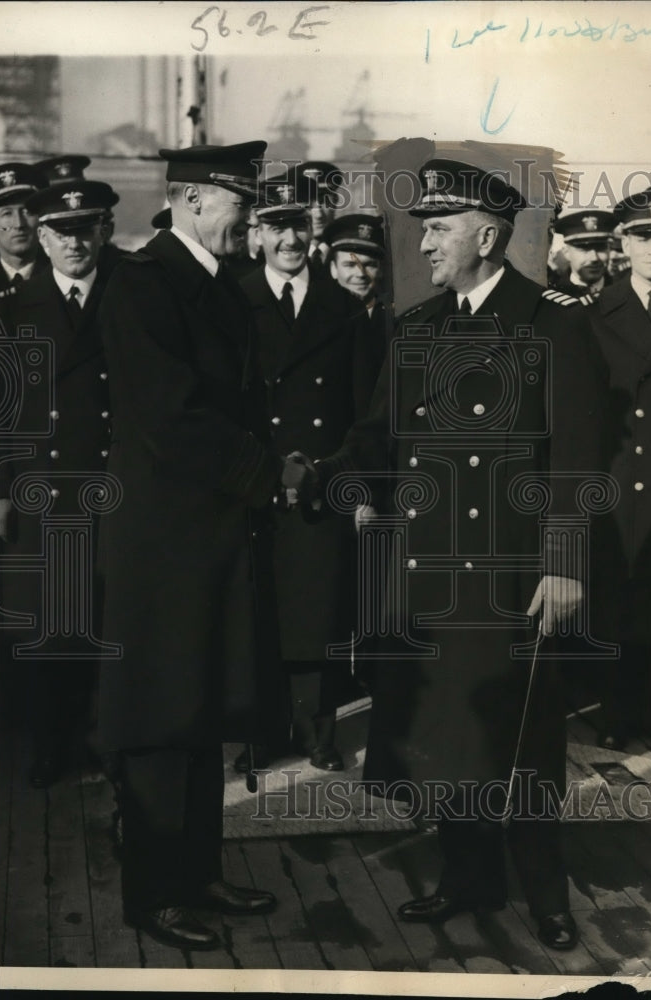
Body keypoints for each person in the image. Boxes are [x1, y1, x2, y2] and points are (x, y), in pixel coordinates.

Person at [293, 158, 609, 951]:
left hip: (514, 574)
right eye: (425, 227)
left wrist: (564, 560)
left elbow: (576, 455)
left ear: (488, 236)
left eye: (438, 228)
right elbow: (378, 436)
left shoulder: (552, 322)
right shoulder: (419, 326)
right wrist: (325, 474)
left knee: (525, 740)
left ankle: (546, 895)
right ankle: (467, 878)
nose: (425, 243)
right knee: (449, 740)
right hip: (431, 572)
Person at [94, 143, 297, 952]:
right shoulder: (144, 284)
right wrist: (266, 474)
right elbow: (172, 419)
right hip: (164, 545)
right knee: (160, 715)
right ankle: (155, 895)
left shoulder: (210, 285)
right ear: (190, 201)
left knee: (203, 707)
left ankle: (198, 871)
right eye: (238, 204)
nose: (249, 220)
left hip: (208, 535)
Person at [237, 180, 383, 772]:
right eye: (276, 225)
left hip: (322, 484)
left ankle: (319, 733)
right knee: (257, 610)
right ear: (257, 235)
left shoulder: (344, 309)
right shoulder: (232, 301)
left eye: (298, 224)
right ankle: (264, 731)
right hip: (254, 483)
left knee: (320, 610)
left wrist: (336, 476)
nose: (290, 238)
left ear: (313, 230)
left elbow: (367, 414)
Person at [0, 173, 118, 788]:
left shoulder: (127, 296)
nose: (74, 244)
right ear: (42, 238)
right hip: (43, 485)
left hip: (111, 482)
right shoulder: (17, 309)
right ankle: (50, 745)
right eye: (60, 232)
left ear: (103, 232)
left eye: (83, 230)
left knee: (103, 616)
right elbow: (0, 406)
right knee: (50, 622)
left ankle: (98, 739)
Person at [585, 180, 651, 760]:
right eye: (644, 236)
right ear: (622, 242)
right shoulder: (596, 314)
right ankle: (618, 710)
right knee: (619, 602)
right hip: (623, 480)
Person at [324, 212, 392, 357]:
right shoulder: (317, 321)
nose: (361, 274)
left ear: (380, 270)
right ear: (333, 269)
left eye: (369, 265)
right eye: (350, 265)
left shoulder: (393, 321)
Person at [0, 162, 49, 304]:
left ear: (40, 219)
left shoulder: (59, 275)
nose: (18, 224)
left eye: (27, 212)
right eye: (7, 214)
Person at [287, 160, 345, 273]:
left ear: (336, 202)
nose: (318, 215)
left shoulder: (349, 253)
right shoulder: (280, 258)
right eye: (308, 205)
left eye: (324, 201)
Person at [553, 208, 616, 300]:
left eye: (600, 248)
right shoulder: (554, 294)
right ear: (566, 253)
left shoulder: (625, 292)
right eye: (584, 249)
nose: (594, 258)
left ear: (609, 249)